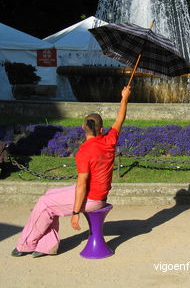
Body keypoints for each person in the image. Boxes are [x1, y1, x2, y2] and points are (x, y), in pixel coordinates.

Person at [11, 86, 131, 258]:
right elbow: (120, 118)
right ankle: (47, 245)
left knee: (45, 203)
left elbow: (82, 184)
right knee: (49, 195)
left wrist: (75, 214)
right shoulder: (109, 140)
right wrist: (124, 98)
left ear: (83, 128)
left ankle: (26, 244)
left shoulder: (84, 151)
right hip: (99, 196)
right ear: (101, 129)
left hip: (91, 200)